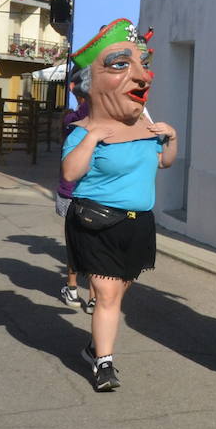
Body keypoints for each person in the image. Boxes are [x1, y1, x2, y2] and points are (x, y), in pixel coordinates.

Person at [61, 19, 177, 392]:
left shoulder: (147, 129)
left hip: (138, 224)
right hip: (98, 222)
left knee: (118, 293)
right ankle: (104, 365)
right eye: (121, 65)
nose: (141, 76)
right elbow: (70, 173)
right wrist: (93, 137)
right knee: (108, 296)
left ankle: (95, 347)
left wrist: (170, 137)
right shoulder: (83, 132)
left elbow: (164, 162)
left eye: (142, 64)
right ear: (88, 83)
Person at [57, 79, 92, 313]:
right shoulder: (82, 117)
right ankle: (91, 296)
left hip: (79, 191)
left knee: (76, 243)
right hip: (82, 191)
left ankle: (74, 289)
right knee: (90, 244)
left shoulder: (73, 119)